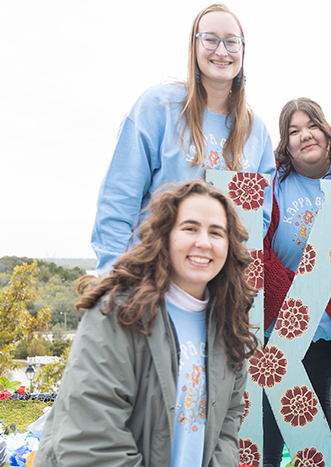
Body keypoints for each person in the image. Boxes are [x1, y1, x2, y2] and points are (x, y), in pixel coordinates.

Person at [32, 179, 258, 467]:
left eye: (216, 232)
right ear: (164, 236)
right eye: (190, 228)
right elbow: (89, 441)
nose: (203, 242)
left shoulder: (228, 322)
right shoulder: (116, 312)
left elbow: (227, 425)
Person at [91, 3, 274, 274]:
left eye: (232, 42)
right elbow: (119, 198)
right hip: (151, 281)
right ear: (194, 46)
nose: (221, 51)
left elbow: (257, 222)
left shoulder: (255, 131)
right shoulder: (157, 108)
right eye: (211, 39)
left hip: (216, 290)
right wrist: (112, 277)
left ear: (243, 50)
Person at [258, 98, 331, 467]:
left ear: (326, 131)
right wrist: (293, 300)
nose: (304, 136)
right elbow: (260, 245)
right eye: (293, 131)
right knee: (273, 399)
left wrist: (325, 303)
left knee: (315, 396)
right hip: (279, 315)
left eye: (311, 126)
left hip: (327, 320)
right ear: (285, 142)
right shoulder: (273, 184)